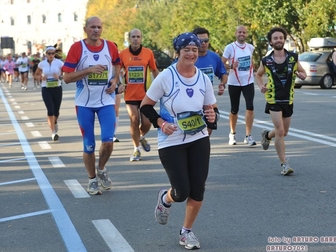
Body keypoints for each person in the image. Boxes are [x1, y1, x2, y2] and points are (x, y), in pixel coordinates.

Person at [140, 32, 219, 250]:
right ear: (178, 52)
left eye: (195, 49)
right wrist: (160, 123)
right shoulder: (166, 76)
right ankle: (166, 199)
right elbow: (146, 106)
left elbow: (210, 109)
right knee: (181, 191)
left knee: (198, 189)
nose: (192, 53)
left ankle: (186, 232)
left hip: (199, 138)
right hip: (171, 140)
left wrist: (212, 117)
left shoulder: (203, 78)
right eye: (187, 50)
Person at [62, 16, 122, 195]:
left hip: (106, 102)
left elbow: (117, 64)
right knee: (89, 145)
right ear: (85, 29)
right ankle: (92, 179)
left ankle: (101, 169)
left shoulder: (110, 46)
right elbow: (66, 78)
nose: (96, 30)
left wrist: (115, 79)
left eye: (99, 27)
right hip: (84, 103)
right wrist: (89, 70)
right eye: (93, 27)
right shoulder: (77, 48)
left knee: (108, 141)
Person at [255, 27, 307, 175]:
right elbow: (258, 75)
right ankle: (284, 164)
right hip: (273, 98)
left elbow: (303, 72)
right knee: (280, 130)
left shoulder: (293, 57)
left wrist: (302, 75)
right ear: (271, 42)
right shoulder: (266, 61)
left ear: (284, 40)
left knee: (284, 132)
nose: (278, 40)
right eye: (275, 38)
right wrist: (261, 86)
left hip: (288, 98)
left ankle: (267, 135)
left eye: (281, 37)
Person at [119, 28, 159, 161]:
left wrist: (162, 86)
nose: (136, 39)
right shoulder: (123, 54)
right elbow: (117, 72)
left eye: (138, 37)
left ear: (141, 39)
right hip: (130, 94)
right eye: (133, 37)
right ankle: (136, 149)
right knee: (134, 119)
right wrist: (118, 83)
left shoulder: (148, 53)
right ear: (129, 39)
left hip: (145, 94)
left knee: (147, 123)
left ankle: (141, 136)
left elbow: (154, 70)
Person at [221, 25, 257, 146]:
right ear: (236, 33)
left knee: (250, 107)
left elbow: (252, 62)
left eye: (244, 32)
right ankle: (232, 133)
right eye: (240, 32)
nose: (242, 34)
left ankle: (248, 135)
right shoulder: (230, 47)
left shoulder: (251, 47)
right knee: (234, 109)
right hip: (234, 82)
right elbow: (221, 64)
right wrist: (231, 66)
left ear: (247, 34)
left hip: (248, 81)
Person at [192, 27, 227, 135]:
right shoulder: (189, 57)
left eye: (206, 41)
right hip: (190, 99)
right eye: (200, 41)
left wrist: (222, 84)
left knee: (208, 130)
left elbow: (223, 73)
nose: (203, 43)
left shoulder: (214, 57)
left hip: (207, 100)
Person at [34, 46, 64, 141]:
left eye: (53, 53)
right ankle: (53, 132)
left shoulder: (59, 63)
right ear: (46, 54)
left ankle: (54, 122)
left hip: (57, 88)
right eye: (49, 53)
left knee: (56, 111)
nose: (51, 55)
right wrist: (40, 78)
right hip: (46, 88)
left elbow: (67, 74)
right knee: (50, 110)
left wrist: (59, 77)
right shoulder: (42, 64)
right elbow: (35, 74)